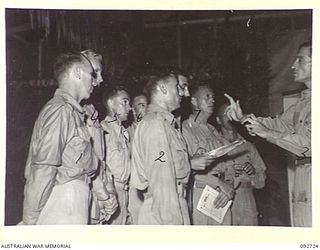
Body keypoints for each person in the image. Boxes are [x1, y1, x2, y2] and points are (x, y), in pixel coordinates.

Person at [21, 51, 116, 225]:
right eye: (91, 74)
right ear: (78, 73)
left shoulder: (73, 112)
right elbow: (43, 168)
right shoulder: (61, 111)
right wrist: (29, 221)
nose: (95, 81)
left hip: (75, 200)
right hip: (64, 201)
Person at [224, 41, 312, 227]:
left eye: (300, 60)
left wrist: (266, 132)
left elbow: (309, 144)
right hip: (304, 174)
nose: (293, 65)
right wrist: (244, 118)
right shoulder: (304, 102)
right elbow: (279, 124)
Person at [130, 68, 191, 224]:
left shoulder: (165, 124)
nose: (183, 93)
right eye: (177, 86)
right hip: (164, 212)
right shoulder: (155, 124)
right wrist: (172, 223)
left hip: (171, 205)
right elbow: (161, 180)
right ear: (163, 88)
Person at [182, 83, 234, 225]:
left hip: (222, 194)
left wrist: (228, 187)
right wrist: (218, 183)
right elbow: (186, 166)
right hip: (200, 193)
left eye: (213, 97)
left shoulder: (214, 131)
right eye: (207, 97)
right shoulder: (185, 129)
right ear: (194, 101)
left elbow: (229, 163)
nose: (212, 100)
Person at [80, 49, 118, 224]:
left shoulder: (91, 111)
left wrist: (109, 191)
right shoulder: (73, 113)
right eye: (95, 73)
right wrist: (103, 193)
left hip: (98, 196)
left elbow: (100, 160)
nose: (100, 80)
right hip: (83, 196)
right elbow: (85, 160)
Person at [216, 103, 266, 226]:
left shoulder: (248, 146)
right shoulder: (214, 144)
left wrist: (253, 172)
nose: (230, 117)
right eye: (226, 114)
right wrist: (226, 172)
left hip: (246, 197)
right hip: (223, 198)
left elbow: (262, 182)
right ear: (218, 120)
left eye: (232, 114)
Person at [101, 85, 132, 225]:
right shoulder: (103, 130)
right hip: (111, 191)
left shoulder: (124, 132)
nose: (129, 107)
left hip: (125, 192)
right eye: (124, 102)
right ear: (111, 103)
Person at [127, 92, 148, 224]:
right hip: (135, 191)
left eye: (147, 105)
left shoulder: (153, 131)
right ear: (133, 110)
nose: (146, 108)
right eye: (141, 105)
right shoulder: (127, 133)